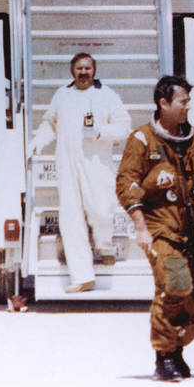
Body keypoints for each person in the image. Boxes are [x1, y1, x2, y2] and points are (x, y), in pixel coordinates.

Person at [115, 75, 194, 382]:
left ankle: (177, 347)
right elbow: (127, 185)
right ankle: (164, 354)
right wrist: (141, 228)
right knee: (175, 287)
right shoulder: (142, 140)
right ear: (163, 103)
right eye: (183, 101)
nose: (188, 107)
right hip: (163, 230)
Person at [27, 52, 130, 292]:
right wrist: (37, 142)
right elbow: (49, 123)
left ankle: (104, 247)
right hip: (67, 163)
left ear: (94, 71)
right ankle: (83, 276)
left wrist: (100, 132)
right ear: (72, 71)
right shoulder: (62, 95)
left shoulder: (107, 95)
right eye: (79, 68)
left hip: (96, 164)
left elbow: (124, 126)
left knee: (101, 210)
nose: (83, 73)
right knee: (71, 218)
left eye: (88, 68)